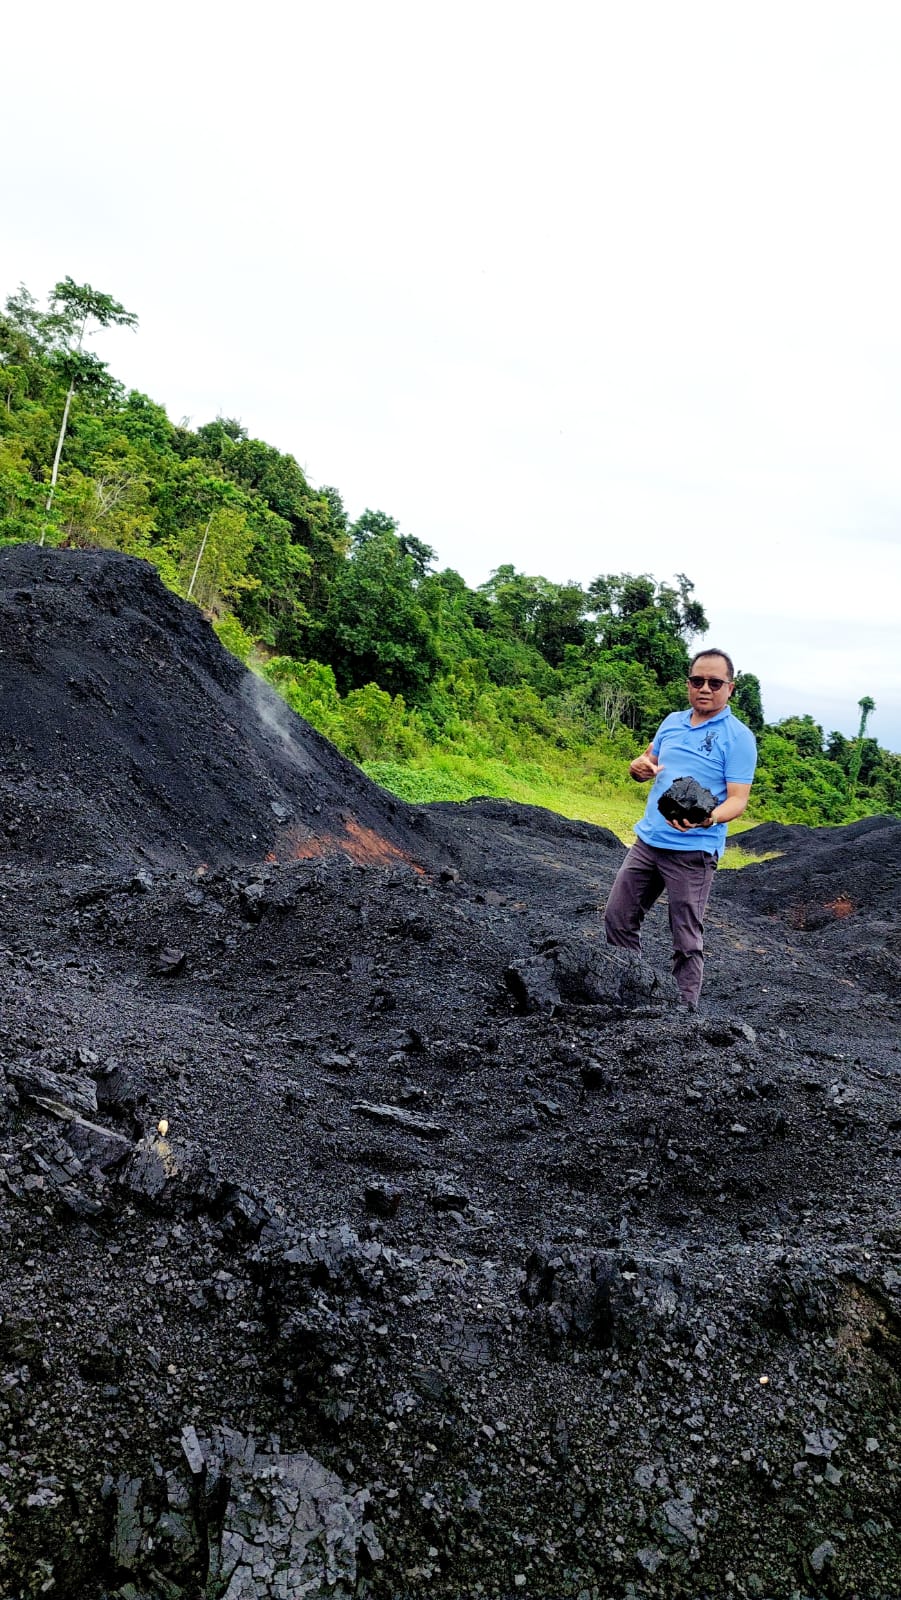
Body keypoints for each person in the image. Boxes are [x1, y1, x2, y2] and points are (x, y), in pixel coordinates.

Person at [603, 649, 757, 1008]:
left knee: (686, 939)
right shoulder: (671, 722)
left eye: (714, 683)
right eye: (697, 681)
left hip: (694, 850)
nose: (705, 688)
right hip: (649, 841)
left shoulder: (738, 738)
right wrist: (637, 767)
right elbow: (647, 761)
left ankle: (683, 1015)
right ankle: (629, 990)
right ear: (688, 683)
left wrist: (709, 818)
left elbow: (738, 800)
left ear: (730, 689)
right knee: (618, 917)